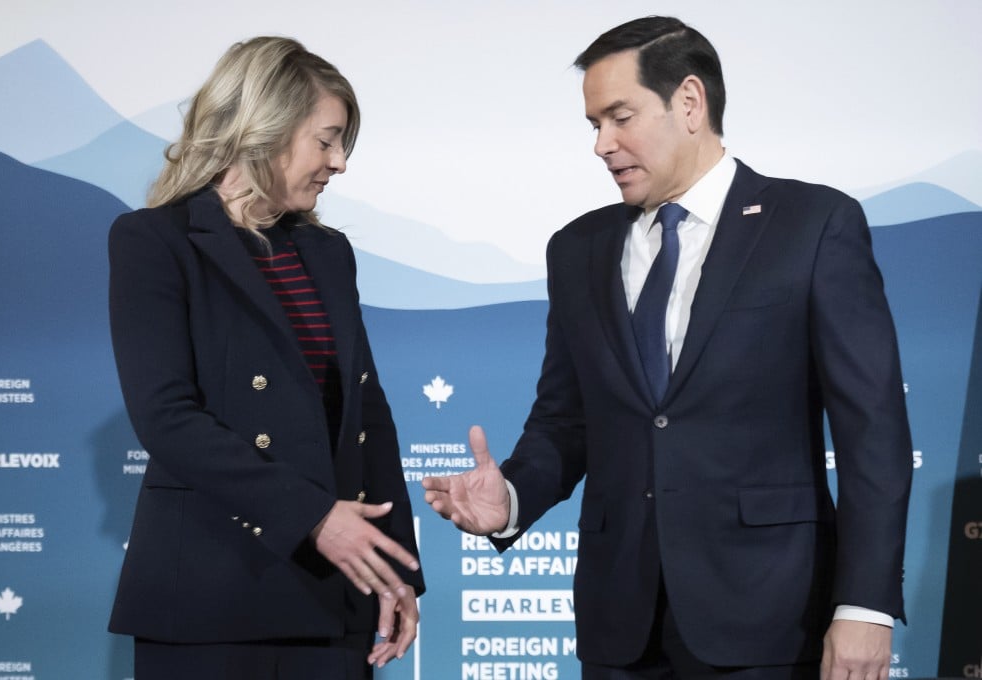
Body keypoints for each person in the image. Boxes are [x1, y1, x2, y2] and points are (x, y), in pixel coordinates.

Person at [423, 16, 912, 680]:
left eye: (619, 117)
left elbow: (873, 435)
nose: (602, 144)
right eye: (593, 124)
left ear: (689, 102)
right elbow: (567, 421)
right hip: (620, 626)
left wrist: (864, 607)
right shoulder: (577, 250)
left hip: (771, 620)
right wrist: (510, 497)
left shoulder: (814, 226)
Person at [107, 36, 423, 679]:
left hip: (334, 598)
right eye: (327, 140)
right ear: (264, 131)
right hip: (211, 598)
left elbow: (369, 413)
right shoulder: (153, 241)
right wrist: (312, 517)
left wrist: (395, 568)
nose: (338, 163)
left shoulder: (329, 252)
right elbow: (167, 417)